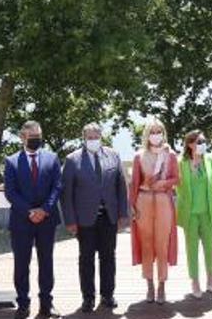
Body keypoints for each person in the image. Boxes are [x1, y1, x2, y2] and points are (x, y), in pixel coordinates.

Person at [61, 123, 130, 312]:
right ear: (84, 138)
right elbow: (66, 194)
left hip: (109, 217)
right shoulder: (72, 159)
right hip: (84, 219)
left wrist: (123, 214)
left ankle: (107, 295)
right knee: (86, 259)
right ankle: (88, 298)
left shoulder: (113, 156)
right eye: (89, 137)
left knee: (108, 257)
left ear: (101, 136)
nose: (93, 140)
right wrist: (70, 221)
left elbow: (121, 187)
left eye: (96, 136)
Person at [4, 121, 64, 319]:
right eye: (32, 136)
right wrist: (30, 211)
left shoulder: (52, 158)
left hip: (47, 220)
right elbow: (10, 192)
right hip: (22, 221)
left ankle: (47, 304)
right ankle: (23, 304)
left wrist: (45, 210)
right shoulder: (11, 161)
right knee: (21, 264)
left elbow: (57, 186)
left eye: (38, 135)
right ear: (22, 137)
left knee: (46, 262)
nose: (36, 139)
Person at [129, 119, 180, 304]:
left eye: (159, 131)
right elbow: (134, 182)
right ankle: (149, 285)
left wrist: (163, 183)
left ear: (163, 134)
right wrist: (132, 205)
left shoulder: (170, 155)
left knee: (162, 244)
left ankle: (162, 286)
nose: (156, 135)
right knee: (147, 244)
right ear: (147, 135)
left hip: (163, 201)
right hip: (143, 200)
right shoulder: (139, 156)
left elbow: (177, 179)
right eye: (153, 131)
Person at [176, 129, 212, 299]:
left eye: (203, 141)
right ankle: (195, 281)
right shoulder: (181, 163)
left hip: (208, 212)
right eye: (198, 142)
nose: (202, 144)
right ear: (190, 144)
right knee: (191, 248)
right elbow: (177, 186)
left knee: (209, 247)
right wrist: (192, 166)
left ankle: (210, 277)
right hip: (190, 213)